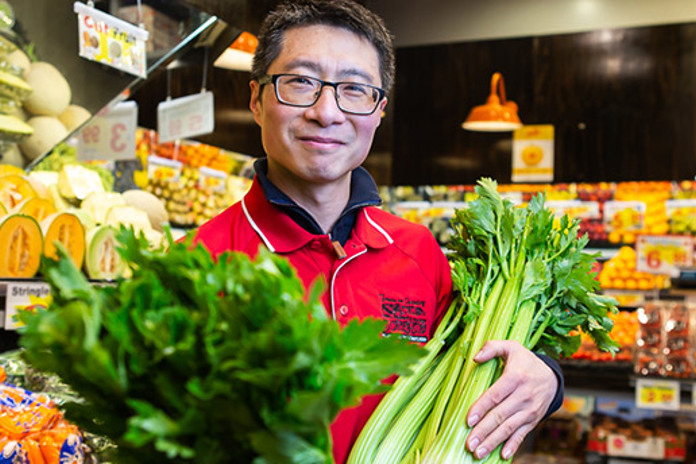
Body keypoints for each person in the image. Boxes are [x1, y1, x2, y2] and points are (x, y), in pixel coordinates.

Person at [193, 1, 563, 462]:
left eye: (354, 89)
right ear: (256, 99)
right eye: (301, 82)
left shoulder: (418, 252)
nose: (326, 112)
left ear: (379, 110)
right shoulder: (196, 263)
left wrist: (547, 376)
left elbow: (483, 355)